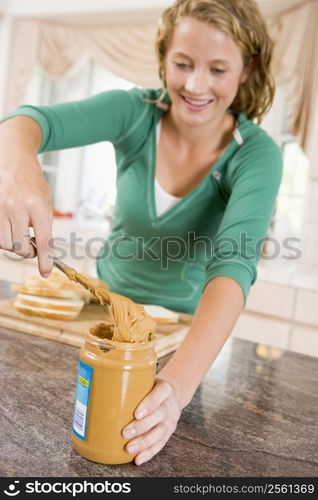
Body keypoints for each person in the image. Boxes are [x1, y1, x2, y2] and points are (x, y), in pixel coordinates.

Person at [0, 0, 282, 465]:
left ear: (247, 69)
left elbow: (234, 264)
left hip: (183, 340)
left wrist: (176, 387)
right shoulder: (135, 112)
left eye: (217, 69)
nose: (195, 85)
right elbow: (27, 123)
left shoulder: (255, 154)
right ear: (163, 57)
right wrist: (18, 169)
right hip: (99, 317)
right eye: (183, 63)